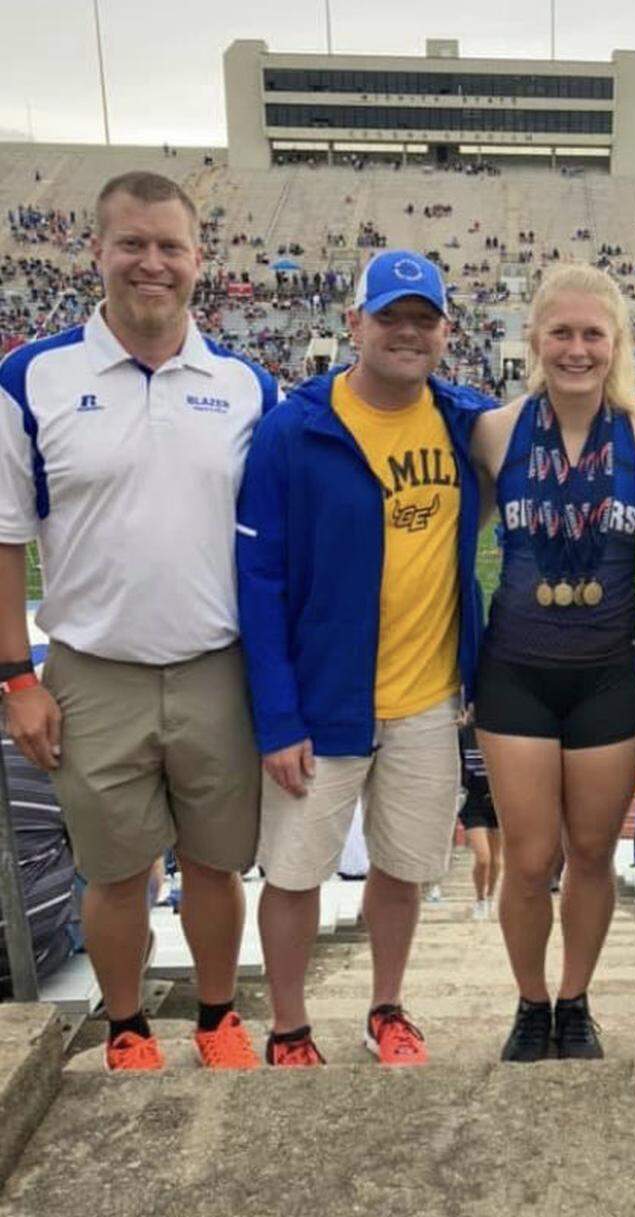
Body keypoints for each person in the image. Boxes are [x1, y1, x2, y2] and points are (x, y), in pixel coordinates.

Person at [0, 171, 274, 1071]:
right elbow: (4, 539)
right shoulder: (33, 376)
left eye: (169, 246)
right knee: (114, 870)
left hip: (215, 663)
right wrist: (16, 678)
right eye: (132, 244)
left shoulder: (244, 385)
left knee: (215, 864)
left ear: (200, 261)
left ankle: (219, 1016)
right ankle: (125, 1027)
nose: (151, 263)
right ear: (98, 252)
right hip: (93, 668)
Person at [237, 250, 494, 1068]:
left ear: (446, 332)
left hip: (426, 698)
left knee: (404, 867)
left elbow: (566, 413)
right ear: (355, 324)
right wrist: (277, 716)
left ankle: (387, 1006)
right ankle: (288, 1024)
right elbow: (259, 577)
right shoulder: (295, 426)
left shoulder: (463, 418)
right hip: (323, 701)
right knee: (294, 871)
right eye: (390, 317)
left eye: (424, 319)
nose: (407, 333)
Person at [470, 264, 635, 1062]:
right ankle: (529, 1004)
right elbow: (450, 526)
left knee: (592, 853)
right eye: (562, 332)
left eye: (594, 334)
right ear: (535, 340)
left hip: (606, 676)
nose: (578, 349)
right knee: (530, 857)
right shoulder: (495, 430)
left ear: (617, 342)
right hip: (516, 671)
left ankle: (576, 1002)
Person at [458, 723, 501, 920]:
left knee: (495, 858)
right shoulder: (463, 734)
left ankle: (490, 897)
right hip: (473, 802)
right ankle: (480, 899)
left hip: (499, 801)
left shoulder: (501, 729)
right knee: (483, 856)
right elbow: (456, 766)